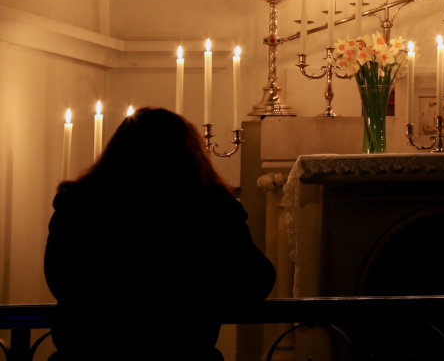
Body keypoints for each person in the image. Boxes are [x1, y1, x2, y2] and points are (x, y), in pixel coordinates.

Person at [44, 107, 275, 360]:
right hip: (181, 348)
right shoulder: (209, 206)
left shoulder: (78, 204)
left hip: (88, 350)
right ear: (187, 153)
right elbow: (256, 280)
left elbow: (60, 279)